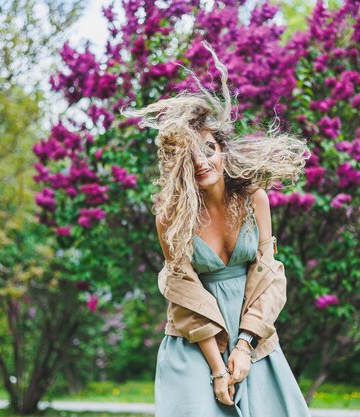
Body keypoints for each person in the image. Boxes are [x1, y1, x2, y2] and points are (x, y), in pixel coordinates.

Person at [121, 41, 312, 417]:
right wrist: (217, 367)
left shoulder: (254, 199)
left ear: (223, 148)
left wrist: (244, 347)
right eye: (189, 156)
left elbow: (268, 276)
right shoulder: (171, 218)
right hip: (195, 340)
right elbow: (183, 294)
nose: (202, 161)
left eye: (208, 148)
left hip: (251, 334)